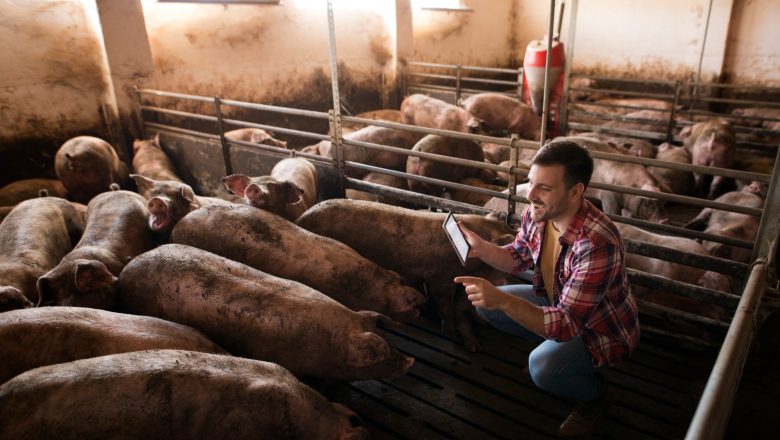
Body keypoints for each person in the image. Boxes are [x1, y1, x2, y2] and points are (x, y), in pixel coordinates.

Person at [454, 140, 639, 437]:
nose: (530, 195)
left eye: (544, 188)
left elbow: (567, 324)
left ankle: (596, 396)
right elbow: (518, 257)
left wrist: (503, 301)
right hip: (558, 301)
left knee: (542, 367)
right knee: (486, 308)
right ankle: (556, 355)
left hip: (599, 330)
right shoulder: (539, 212)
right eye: (531, 182)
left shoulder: (597, 243)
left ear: (575, 192)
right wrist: (484, 249)